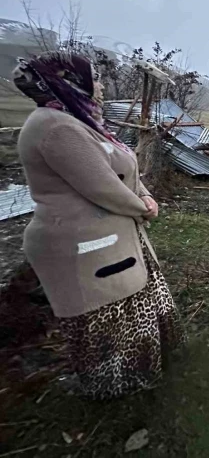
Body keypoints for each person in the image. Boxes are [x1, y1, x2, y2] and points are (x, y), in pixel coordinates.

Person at [14, 51, 184, 399]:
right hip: (85, 245)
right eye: (95, 78)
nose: (102, 85)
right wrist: (144, 208)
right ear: (70, 81)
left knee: (135, 300)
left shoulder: (80, 120)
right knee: (109, 314)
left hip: (114, 235)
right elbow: (102, 185)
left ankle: (149, 369)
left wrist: (145, 195)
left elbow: (124, 170)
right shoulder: (56, 127)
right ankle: (119, 387)